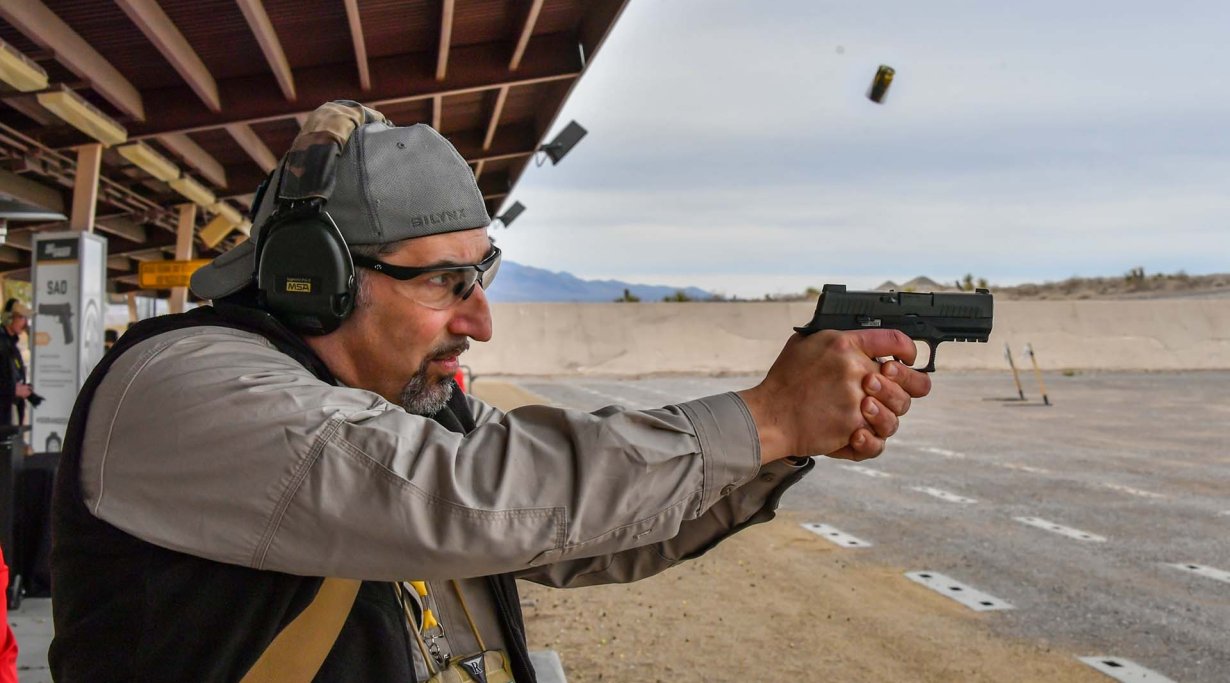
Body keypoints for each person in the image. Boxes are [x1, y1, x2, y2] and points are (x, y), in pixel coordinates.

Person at [49, 102, 930, 682]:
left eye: (484, 277)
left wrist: (785, 443)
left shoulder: (408, 402)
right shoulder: (189, 387)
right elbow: (478, 499)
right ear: (313, 276)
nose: (480, 321)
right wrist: (766, 412)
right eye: (445, 283)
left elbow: (578, 533)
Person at [0, 299, 32, 428]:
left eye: (25, 318)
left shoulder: (11, 346)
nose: (24, 323)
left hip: (9, 420)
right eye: (21, 317)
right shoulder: (3, 344)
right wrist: (13, 390)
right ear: (8, 318)